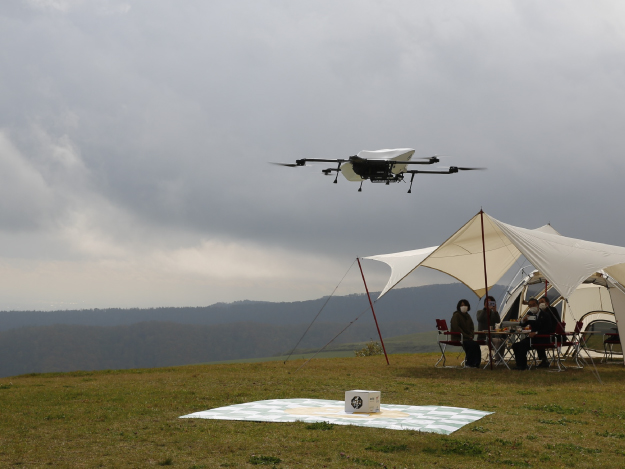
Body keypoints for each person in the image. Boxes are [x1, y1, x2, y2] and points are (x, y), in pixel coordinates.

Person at [512, 298, 557, 370]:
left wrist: (536, 333)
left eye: (534, 305)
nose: (532, 307)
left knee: (523, 344)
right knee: (515, 345)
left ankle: (522, 366)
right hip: (533, 338)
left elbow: (549, 329)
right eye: (530, 305)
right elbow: (522, 325)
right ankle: (520, 364)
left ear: (538, 305)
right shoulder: (529, 314)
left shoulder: (545, 315)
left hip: (542, 338)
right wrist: (523, 320)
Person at [450, 299, 481, 368]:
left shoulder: (468, 316)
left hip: (467, 338)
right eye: (461, 305)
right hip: (458, 337)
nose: (463, 307)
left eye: (465, 305)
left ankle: (476, 363)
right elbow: (456, 328)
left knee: (476, 345)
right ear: (459, 307)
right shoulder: (456, 315)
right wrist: (467, 336)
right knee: (471, 345)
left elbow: (471, 328)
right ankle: (469, 363)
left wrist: (471, 335)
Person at [476, 296, 502, 363]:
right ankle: (497, 359)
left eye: (491, 303)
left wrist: (495, 311)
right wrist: (485, 309)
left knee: (502, 341)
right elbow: (479, 319)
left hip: (492, 336)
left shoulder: (493, 313)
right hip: (483, 337)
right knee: (498, 341)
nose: (489, 304)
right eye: (487, 303)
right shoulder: (480, 312)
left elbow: (498, 320)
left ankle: (499, 359)